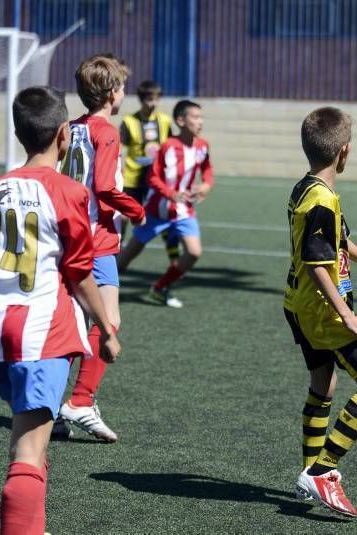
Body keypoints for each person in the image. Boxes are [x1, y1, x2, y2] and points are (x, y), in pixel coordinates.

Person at [0, 86, 120, 534]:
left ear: (18, 132)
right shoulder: (67, 191)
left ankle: (33, 526)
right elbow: (81, 273)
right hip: (43, 333)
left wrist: (0, 297)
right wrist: (107, 326)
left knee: (30, 436)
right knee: (27, 451)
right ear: (64, 134)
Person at [286, 107, 357, 517]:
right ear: (344, 151)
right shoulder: (322, 200)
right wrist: (346, 317)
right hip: (323, 313)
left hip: (296, 304)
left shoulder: (307, 187)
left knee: (323, 387)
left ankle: (308, 475)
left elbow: (338, 239)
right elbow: (316, 262)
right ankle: (323, 472)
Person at [57, 54, 145, 442]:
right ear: (112, 93)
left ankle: (49, 408)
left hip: (70, 235)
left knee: (73, 324)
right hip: (98, 239)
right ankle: (80, 400)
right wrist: (136, 209)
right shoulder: (105, 131)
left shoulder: (71, 128)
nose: (124, 91)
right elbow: (107, 187)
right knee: (108, 322)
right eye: (122, 86)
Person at [117, 99, 213, 308]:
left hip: (183, 211)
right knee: (127, 256)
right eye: (195, 117)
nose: (200, 122)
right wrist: (170, 193)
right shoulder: (168, 146)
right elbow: (152, 177)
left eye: (201, 117)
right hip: (156, 211)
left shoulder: (202, 146)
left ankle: (159, 288)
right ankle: (103, 288)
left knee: (194, 252)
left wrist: (206, 186)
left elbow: (207, 170)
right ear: (180, 120)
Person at [119, 80, 175, 252]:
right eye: (150, 99)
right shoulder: (129, 121)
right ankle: (116, 251)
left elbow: (170, 146)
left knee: (164, 215)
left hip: (156, 179)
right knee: (123, 217)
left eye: (157, 99)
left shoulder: (164, 120)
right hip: (132, 178)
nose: (154, 103)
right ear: (141, 100)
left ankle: (174, 257)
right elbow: (119, 148)